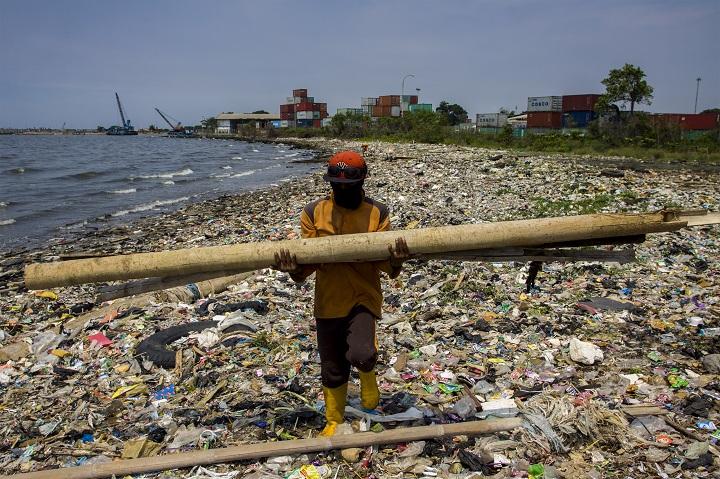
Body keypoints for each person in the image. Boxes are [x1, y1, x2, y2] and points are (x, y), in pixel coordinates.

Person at [274, 150, 410, 437]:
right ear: (330, 184)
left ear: (362, 182)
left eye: (350, 185)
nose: (344, 190)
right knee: (333, 366)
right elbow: (306, 266)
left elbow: (385, 265)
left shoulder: (377, 213)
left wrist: (397, 259)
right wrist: (292, 267)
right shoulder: (314, 212)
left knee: (362, 353)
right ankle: (333, 420)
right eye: (338, 185)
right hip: (329, 300)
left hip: (363, 294)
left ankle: (368, 380)